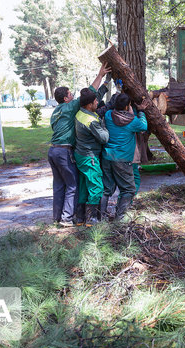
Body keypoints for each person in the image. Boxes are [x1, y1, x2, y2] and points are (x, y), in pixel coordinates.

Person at [49, 63, 110, 227]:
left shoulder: (56, 112)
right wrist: (100, 75)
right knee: (73, 185)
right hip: (64, 151)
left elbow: (91, 97)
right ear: (66, 98)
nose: (73, 95)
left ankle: (61, 218)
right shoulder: (71, 107)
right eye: (70, 94)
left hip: (52, 151)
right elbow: (90, 91)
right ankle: (71, 219)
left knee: (59, 185)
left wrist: (104, 86)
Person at [101, 93, 147, 221]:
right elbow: (144, 126)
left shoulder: (109, 115)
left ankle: (100, 215)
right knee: (128, 189)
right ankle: (120, 217)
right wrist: (141, 111)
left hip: (107, 156)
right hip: (123, 159)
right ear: (128, 106)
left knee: (106, 188)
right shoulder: (133, 121)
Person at [74, 88, 109, 226]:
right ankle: (92, 219)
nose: (97, 102)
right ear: (89, 104)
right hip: (90, 157)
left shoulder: (80, 113)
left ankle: (80, 218)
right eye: (95, 101)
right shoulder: (91, 121)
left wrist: (106, 83)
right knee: (96, 186)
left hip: (80, 155)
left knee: (84, 186)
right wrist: (104, 124)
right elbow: (104, 138)